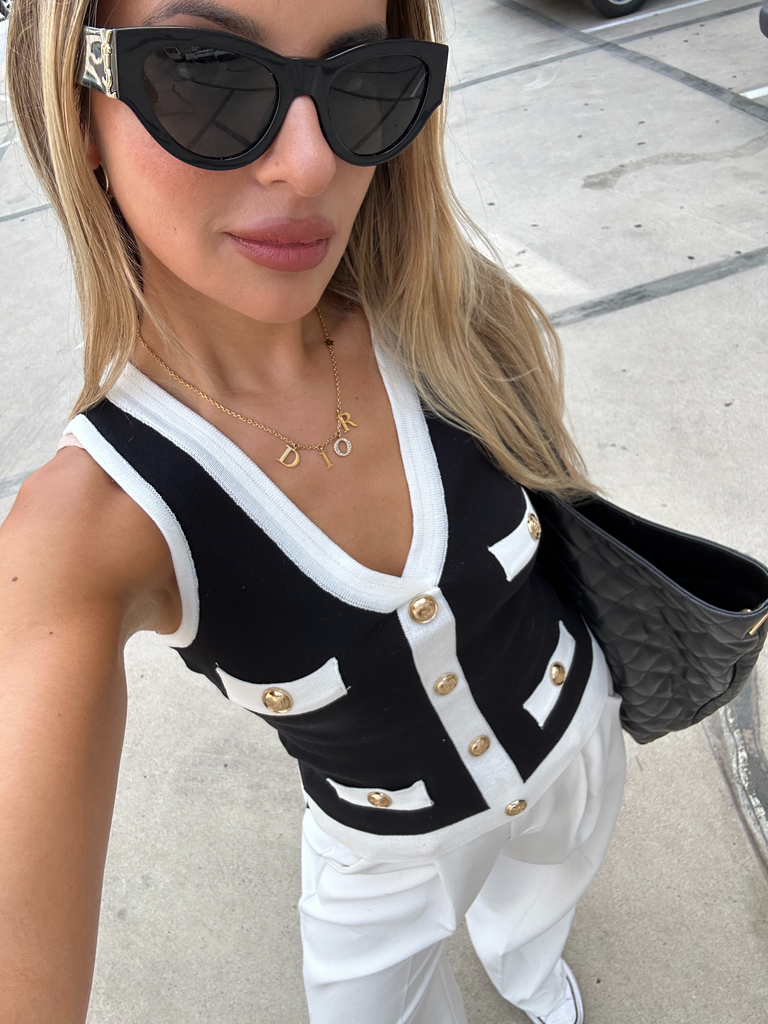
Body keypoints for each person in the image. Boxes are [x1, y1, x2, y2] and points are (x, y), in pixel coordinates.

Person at [0, 0, 626, 1021]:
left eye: (366, 83)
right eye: (206, 75)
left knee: (543, 893)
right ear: (77, 110)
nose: (309, 165)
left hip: (579, 737)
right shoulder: (92, 524)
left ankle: (527, 966)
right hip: (384, 851)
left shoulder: (451, 318)